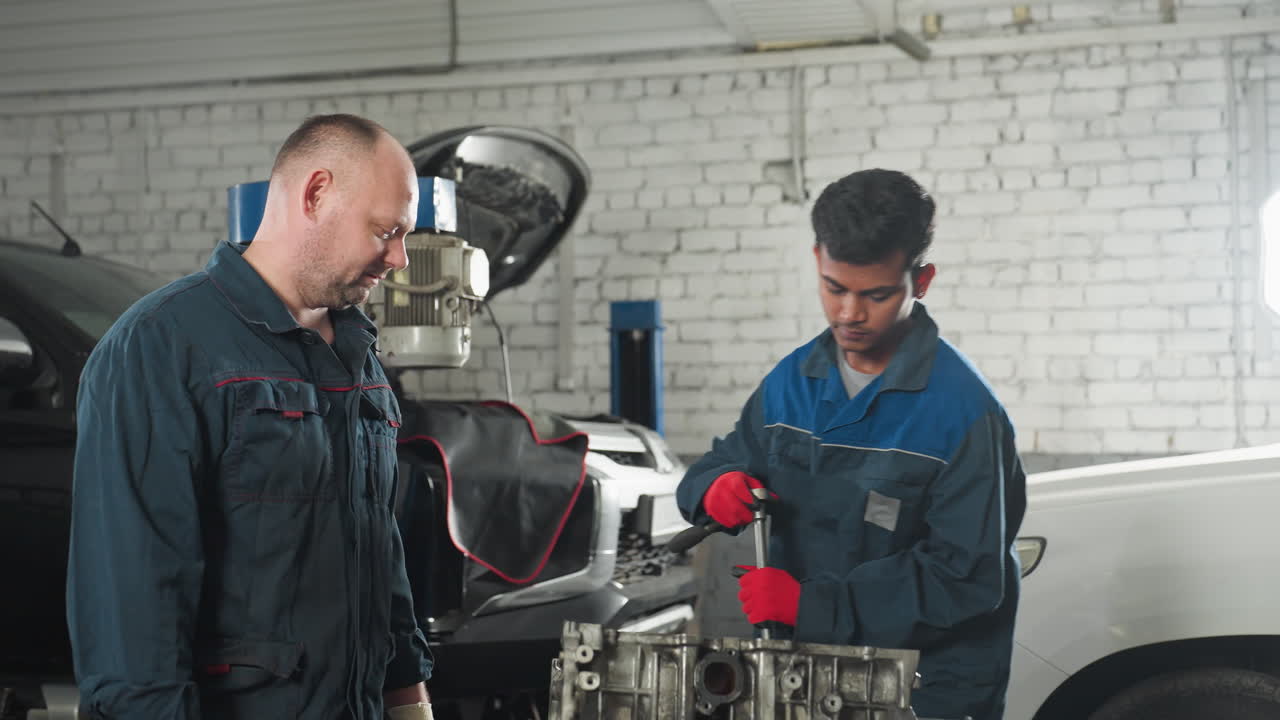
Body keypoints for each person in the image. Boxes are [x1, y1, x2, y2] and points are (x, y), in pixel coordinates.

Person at [68, 114, 436, 720]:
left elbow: (377, 546)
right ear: (316, 194)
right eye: (386, 231)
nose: (398, 258)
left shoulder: (357, 354)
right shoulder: (163, 346)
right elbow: (131, 601)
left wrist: (408, 698)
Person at [676, 168, 1026, 720]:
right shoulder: (792, 383)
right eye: (834, 288)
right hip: (805, 681)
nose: (849, 314)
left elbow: (966, 579)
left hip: (923, 693)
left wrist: (807, 604)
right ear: (818, 258)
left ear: (923, 280)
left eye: (877, 295)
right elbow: (727, 459)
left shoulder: (964, 415)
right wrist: (712, 486)